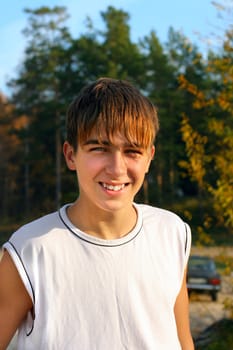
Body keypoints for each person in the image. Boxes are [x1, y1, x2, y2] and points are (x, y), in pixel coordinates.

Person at [0, 77, 194, 350]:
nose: (116, 168)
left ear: (149, 157)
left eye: (132, 151)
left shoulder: (173, 233)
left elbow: (182, 340)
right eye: (99, 149)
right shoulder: (29, 252)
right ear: (70, 155)